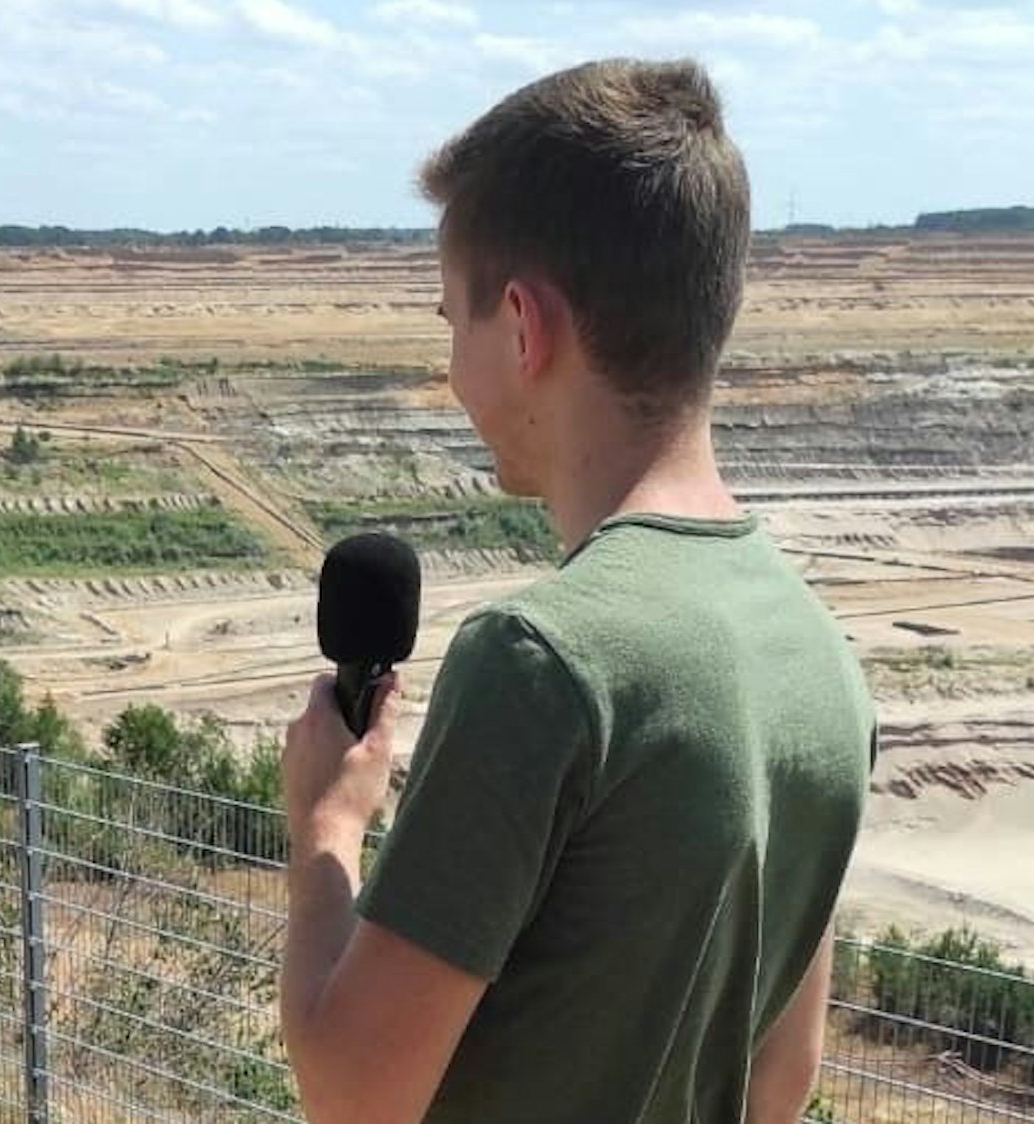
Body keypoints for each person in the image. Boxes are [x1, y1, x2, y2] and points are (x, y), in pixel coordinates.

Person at [278, 58, 877, 1123]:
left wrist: (324, 828)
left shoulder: (540, 660)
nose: (454, 365)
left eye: (449, 322)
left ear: (521, 327)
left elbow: (350, 1093)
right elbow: (780, 1082)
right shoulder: (814, 647)